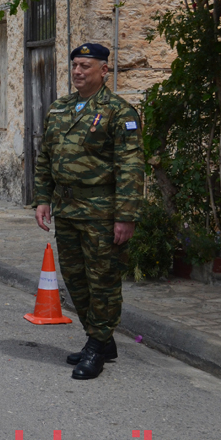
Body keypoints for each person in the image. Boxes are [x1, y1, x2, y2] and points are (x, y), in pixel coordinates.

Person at [33, 42, 143, 380]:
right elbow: (45, 157)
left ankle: (97, 346)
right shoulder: (60, 108)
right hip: (67, 209)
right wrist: (42, 198)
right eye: (75, 66)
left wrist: (125, 216)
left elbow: (130, 167)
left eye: (86, 66)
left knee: (103, 281)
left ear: (104, 70)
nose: (78, 72)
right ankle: (101, 340)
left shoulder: (119, 112)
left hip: (101, 211)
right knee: (76, 280)